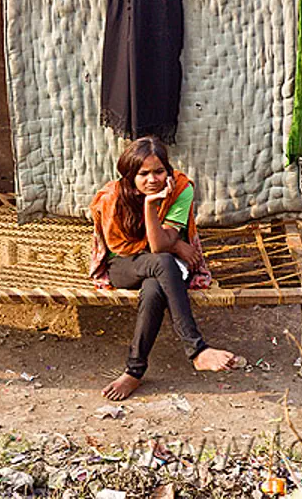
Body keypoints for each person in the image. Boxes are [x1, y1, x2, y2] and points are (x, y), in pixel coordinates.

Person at [89, 136, 238, 400]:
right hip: (124, 264)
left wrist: (168, 240)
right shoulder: (112, 198)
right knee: (162, 262)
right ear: (130, 177)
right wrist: (161, 223)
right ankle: (197, 349)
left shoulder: (181, 189)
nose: (152, 180)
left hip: (165, 268)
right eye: (143, 174)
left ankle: (133, 372)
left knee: (154, 286)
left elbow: (159, 246)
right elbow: (141, 247)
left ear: (168, 172)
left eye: (159, 171)